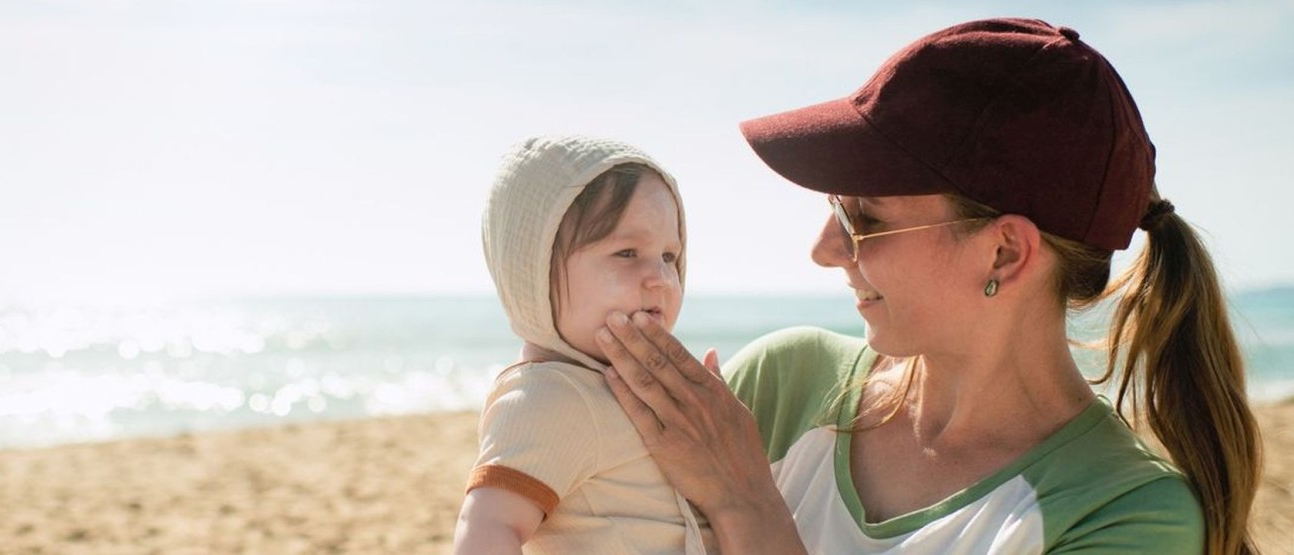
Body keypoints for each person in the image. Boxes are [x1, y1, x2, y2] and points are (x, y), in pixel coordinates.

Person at [593, 18, 1262, 554]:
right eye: (835, 208)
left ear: (1003, 252)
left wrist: (746, 504)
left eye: (865, 219)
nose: (824, 250)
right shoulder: (784, 383)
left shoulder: (1124, 513)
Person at [453, 135, 717, 554]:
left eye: (670, 256)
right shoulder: (549, 396)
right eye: (627, 252)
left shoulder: (619, 384)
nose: (661, 278)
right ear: (532, 272)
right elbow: (489, 525)